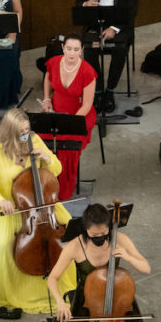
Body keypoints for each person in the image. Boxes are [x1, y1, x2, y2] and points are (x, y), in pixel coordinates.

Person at [0, 109, 67, 317]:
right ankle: (8, 295)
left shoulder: (34, 140)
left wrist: (47, 158)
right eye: (21, 132)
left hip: (38, 206)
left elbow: (57, 169)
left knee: (67, 229)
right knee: (1, 245)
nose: (26, 135)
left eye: (27, 130)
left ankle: (54, 284)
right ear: (10, 132)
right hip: (8, 209)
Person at [72, 0, 139, 109]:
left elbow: (132, 9)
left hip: (119, 23)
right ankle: (98, 90)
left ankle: (110, 91)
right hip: (95, 22)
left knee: (120, 49)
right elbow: (78, 2)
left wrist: (114, 28)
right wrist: (85, 4)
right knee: (90, 49)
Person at [43, 32, 98, 200]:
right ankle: (45, 184)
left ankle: (62, 188)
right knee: (41, 143)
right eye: (68, 48)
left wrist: (69, 122)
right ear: (63, 48)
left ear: (81, 50)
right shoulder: (54, 62)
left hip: (80, 116)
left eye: (76, 49)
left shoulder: (88, 72)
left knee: (67, 148)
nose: (72, 53)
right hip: (56, 111)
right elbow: (48, 79)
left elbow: (87, 105)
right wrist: (46, 99)